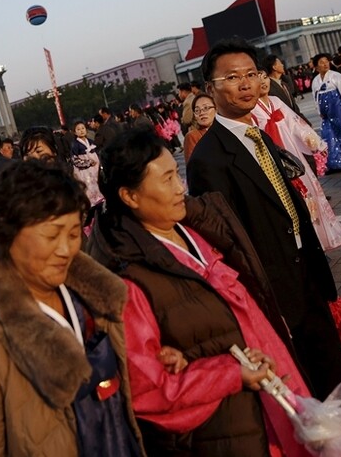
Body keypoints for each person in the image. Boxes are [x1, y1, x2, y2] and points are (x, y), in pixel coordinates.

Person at [90, 128, 315, 456]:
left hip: (273, 397)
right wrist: (229, 373)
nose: (180, 187)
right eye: (166, 179)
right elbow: (147, 389)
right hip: (225, 432)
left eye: (176, 174)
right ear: (130, 196)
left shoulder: (200, 227)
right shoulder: (129, 279)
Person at [186, 38, 341, 415]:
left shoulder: (260, 135)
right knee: (302, 385)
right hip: (272, 285)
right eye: (232, 77)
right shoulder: (208, 159)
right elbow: (224, 239)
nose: (245, 83)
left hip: (306, 269)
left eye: (251, 74)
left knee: (334, 375)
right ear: (211, 89)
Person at [0, 160, 145, 457]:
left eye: (74, 235)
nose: (66, 250)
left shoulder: (92, 298)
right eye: (51, 236)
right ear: (7, 234)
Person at [253, 74, 341, 251]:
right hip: (272, 157)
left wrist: (317, 144)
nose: (263, 82)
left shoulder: (276, 101)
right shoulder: (251, 109)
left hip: (292, 156)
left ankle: (317, 242)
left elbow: (297, 125)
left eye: (265, 77)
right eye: (257, 78)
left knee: (308, 195)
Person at [70, 121, 104, 209]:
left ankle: (101, 199)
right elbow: (75, 159)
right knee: (88, 187)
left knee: (98, 183)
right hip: (84, 171)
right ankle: (92, 203)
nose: (81, 131)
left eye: (83, 128)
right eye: (78, 129)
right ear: (74, 132)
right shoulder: (75, 144)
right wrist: (88, 162)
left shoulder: (90, 141)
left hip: (95, 168)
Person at [182, 93, 215, 161]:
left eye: (206, 108)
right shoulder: (192, 136)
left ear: (216, 109)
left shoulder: (227, 129)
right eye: (197, 110)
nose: (202, 113)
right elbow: (193, 166)